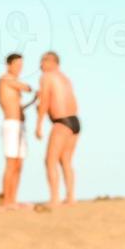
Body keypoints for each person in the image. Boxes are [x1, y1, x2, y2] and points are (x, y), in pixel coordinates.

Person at [36, 51, 80, 206]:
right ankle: (71, 197)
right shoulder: (65, 78)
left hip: (61, 122)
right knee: (66, 161)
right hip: (75, 121)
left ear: (54, 62)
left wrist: (39, 124)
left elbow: (45, 101)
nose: (41, 64)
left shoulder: (47, 77)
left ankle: (55, 198)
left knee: (50, 160)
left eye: (44, 61)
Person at [0, 53, 33, 208]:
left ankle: (13, 199)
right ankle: (6, 200)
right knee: (11, 163)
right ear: (9, 65)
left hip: (20, 124)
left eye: (21, 65)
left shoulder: (13, 82)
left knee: (19, 163)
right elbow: (26, 87)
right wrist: (33, 90)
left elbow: (20, 107)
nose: (20, 68)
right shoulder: (6, 79)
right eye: (17, 65)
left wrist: (34, 100)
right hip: (11, 125)